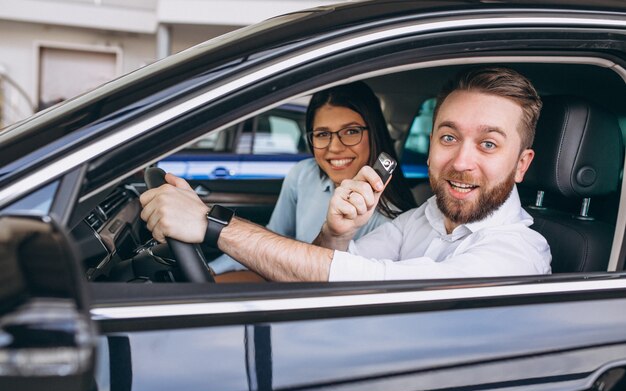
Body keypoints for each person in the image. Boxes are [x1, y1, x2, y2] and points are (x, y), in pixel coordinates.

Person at [140, 67, 552, 282]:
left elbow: (374, 281)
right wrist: (336, 234)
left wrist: (211, 224)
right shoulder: (423, 220)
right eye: (448, 137)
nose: (461, 162)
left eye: (489, 144)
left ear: (521, 165)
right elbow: (328, 269)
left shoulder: (517, 254)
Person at [209, 81, 416, 274]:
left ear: (375, 134)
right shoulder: (303, 175)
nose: (334, 147)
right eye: (322, 134)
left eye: (351, 131)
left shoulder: (393, 222)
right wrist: (210, 271)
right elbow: (271, 239)